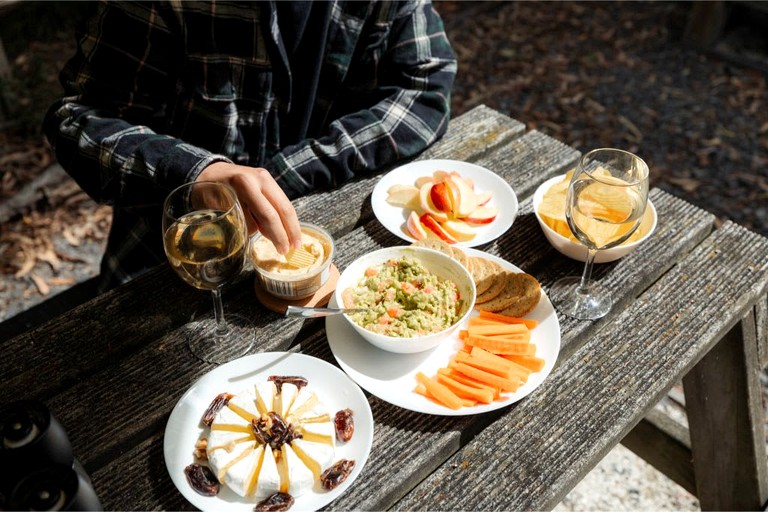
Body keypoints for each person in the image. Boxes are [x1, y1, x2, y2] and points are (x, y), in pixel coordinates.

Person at [43, 0, 457, 291]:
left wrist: (289, 172)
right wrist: (195, 174)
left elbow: (426, 84)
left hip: (321, 249)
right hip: (165, 270)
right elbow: (76, 118)